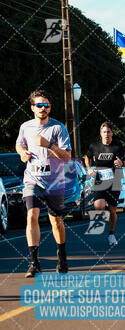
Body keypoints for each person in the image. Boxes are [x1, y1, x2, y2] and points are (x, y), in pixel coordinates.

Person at [16, 90, 72, 278]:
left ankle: (62, 256)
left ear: (50, 108)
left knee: (56, 221)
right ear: (32, 107)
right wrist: (22, 153)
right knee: (32, 214)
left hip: (54, 182)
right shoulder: (25, 127)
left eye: (46, 105)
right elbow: (19, 144)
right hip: (32, 179)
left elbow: (67, 157)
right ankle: (34, 262)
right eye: (39, 105)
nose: (43, 108)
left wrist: (49, 145)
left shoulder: (58, 128)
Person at [84, 122, 125, 247]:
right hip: (100, 179)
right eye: (104, 132)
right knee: (99, 206)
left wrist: (122, 163)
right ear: (101, 133)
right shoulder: (95, 146)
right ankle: (103, 216)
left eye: (109, 132)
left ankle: (111, 233)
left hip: (115, 180)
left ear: (112, 133)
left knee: (113, 210)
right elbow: (87, 157)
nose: (106, 134)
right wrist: (89, 168)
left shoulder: (118, 146)